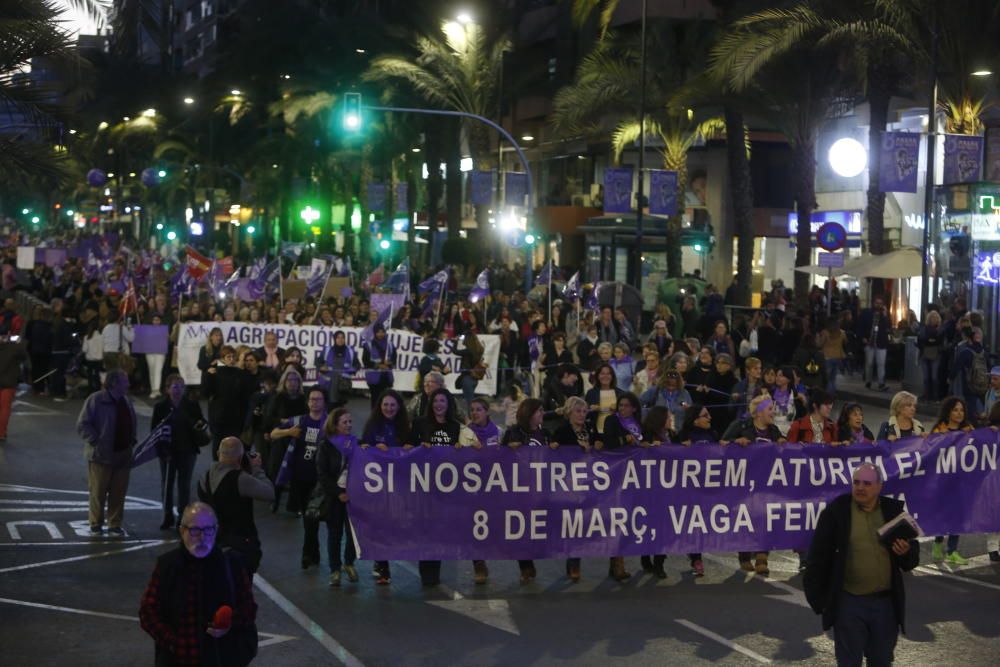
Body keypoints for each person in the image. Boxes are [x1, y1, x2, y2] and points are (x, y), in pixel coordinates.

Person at [804, 463, 919, 667]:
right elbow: (816, 559)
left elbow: (910, 559)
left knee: (882, 660)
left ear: (879, 486)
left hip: (885, 605)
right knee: (848, 662)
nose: (860, 487)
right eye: (856, 482)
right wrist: (821, 602)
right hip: (849, 604)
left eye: (867, 483)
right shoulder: (836, 512)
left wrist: (906, 552)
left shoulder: (893, 511)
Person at [139, 502, 258, 667]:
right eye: (195, 530)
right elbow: (147, 612)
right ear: (182, 531)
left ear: (215, 530)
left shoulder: (232, 564)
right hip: (177, 661)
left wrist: (230, 624)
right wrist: (173, 642)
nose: (202, 538)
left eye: (208, 530)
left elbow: (249, 608)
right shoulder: (168, 566)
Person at [721, 393, 784, 574]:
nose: (773, 413)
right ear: (758, 413)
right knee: (747, 518)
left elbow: (783, 447)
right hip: (744, 483)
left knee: (766, 517)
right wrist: (735, 442)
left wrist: (783, 443)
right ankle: (744, 554)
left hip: (767, 484)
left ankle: (763, 556)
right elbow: (721, 444)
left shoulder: (774, 430)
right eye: (770, 409)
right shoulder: (740, 426)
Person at [197, 436, 276, 574]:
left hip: (215, 543)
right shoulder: (240, 479)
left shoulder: (204, 478)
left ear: (218, 454)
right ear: (240, 458)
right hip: (241, 545)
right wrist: (257, 468)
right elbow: (269, 493)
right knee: (242, 590)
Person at [271, 387, 327, 568]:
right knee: (307, 516)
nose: (315, 402)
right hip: (300, 476)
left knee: (312, 516)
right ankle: (315, 552)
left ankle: (307, 554)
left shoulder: (329, 423)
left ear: (324, 402)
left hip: (320, 479)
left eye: (318, 399)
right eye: (312, 399)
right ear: (308, 402)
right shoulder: (299, 421)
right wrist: (288, 432)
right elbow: (273, 434)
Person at [360, 389, 411, 585]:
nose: (389, 408)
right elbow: (363, 448)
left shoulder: (405, 427)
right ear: (380, 406)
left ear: (399, 407)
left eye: (392, 405)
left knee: (395, 523)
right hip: (379, 483)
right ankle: (382, 565)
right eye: (385, 405)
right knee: (380, 523)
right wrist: (372, 448)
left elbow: (413, 448)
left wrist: (409, 447)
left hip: (399, 483)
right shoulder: (373, 426)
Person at [77, 370, 136, 536]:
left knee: (118, 491)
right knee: (98, 491)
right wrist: (96, 441)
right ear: (114, 383)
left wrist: (131, 440)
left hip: (123, 453)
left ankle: (114, 524)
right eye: (125, 381)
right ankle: (96, 523)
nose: (128, 384)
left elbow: (131, 422)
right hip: (101, 455)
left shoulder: (126, 401)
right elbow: (83, 424)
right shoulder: (96, 400)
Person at [501, 398, 549, 584]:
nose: (542, 414)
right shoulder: (513, 432)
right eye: (539, 411)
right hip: (520, 490)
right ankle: (526, 566)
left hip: (542, 488)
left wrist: (555, 448)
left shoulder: (545, 433)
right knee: (522, 529)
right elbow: (500, 459)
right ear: (529, 413)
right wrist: (508, 449)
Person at [152, 374, 209, 530]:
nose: (179, 390)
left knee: (184, 485)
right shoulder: (160, 407)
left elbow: (203, 422)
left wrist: (200, 424)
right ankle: (167, 515)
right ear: (167, 389)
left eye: (181, 386)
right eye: (175, 386)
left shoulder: (191, 405)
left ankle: (183, 517)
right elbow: (155, 432)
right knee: (167, 484)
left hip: (188, 450)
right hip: (168, 452)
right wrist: (163, 451)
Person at [929, 396, 974, 565]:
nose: (959, 413)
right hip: (942, 481)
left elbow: (981, 447)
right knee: (942, 513)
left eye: (961, 410)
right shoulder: (939, 429)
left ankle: (952, 551)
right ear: (948, 412)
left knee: (959, 514)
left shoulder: (969, 429)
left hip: (962, 481)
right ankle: (938, 542)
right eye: (955, 409)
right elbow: (930, 451)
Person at [319, 408, 358, 587]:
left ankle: (348, 563)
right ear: (335, 425)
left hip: (353, 496)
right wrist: (338, 492)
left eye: (350, 422)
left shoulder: (355, 443)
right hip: (334, 497)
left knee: (353, 535)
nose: (349, 425)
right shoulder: (326, 445)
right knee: (334, 534)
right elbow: (322, 474)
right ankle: (335, 570)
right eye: (345, 422)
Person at [315, 330, 359, 408]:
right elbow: (318, 361)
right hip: (328, 384)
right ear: (334, 339)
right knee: (327, 407)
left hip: (343, 386)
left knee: (339, 408)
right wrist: (321, 367)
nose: (340, 340)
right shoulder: (327, 349)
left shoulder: (350, 350)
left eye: (342, 337)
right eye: (338, 337)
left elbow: (357, 365)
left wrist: (353, 370)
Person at [857, 297, 891, 391]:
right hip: (869, 341)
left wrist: (885, 316)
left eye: (880, 303)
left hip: (881, 343)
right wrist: (863, 337)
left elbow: (888, 327)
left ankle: (881, 383)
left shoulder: (884, 316)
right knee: (869, 363)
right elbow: (861, 325)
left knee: (881, 363)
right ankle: (868, 380)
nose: (878, 305)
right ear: (873, 303)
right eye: (877, 303)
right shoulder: (866, 313)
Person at [0, 333, 27, 442]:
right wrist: (18, 343)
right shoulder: (14, 348)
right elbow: (24, 356)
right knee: (4, 408)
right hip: (8, 381)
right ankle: (1, 432)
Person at [362, 324, 396, 410]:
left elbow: (394, 359)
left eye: (382, 332)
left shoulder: (390, 345)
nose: (380, 334)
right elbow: (365, 361)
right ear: (374, 333)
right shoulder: (368, 345)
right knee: (375, 399)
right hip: (374, 377)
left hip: (386, 376)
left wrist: (389, 363)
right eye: (378, 332)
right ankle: (374, 417)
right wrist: (378, 365)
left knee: (385, 399)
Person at [584, 363, 624, 434]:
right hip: (596, 432)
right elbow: (584, 413)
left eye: (608, 374)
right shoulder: (591, 393)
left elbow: (627, 413)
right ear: (598, 376)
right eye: (602, 373)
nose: (605, 376)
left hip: (617, 431)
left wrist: (618, 408)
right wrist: (591, 408)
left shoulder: (621, 393)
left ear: (612, 376)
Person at [917, 310, 944, 400]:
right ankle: (926, 395)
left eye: (936, 318)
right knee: (926, 377)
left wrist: (930, 341)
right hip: (925, 354)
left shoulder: (940, 329)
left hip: (936, 354)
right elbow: (921, 340)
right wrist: (930, 341)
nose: (934, 320)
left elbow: (940, 341)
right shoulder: (924, 329)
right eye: (932, 318)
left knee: (934, 377)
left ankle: (935, 396)